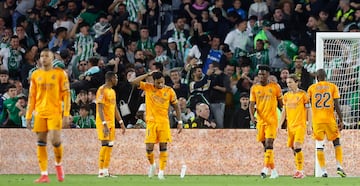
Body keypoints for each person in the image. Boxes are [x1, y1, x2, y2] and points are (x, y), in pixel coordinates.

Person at [25, 49, 71, 183]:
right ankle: (44, 174)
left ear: (52, 58)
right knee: (41, 142)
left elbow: (66, 95)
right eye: (42, 56)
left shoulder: (60, 74)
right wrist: (29, 116)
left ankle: (58, 164)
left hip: (54, 112)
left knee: (55, 141)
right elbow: (32, 96)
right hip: (39, 113)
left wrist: (66, 114)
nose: (44, 58)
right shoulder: (35, 75)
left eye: (47, 56)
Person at [130, 71, 182, 179]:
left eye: (162, 82)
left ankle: (161, 172)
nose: (160, 85)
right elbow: (133, 82)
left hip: (163, 122)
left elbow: (176, 106)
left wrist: (180, 121)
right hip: (151, 123)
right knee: (149, 147)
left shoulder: (169, 90)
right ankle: (152, 165)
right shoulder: (148, 87)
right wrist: (147, 74)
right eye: (158, 83)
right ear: (153, 81)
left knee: (163, 146)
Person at [307, 69, 346, 178]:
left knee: (319, 144)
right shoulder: (332, 87)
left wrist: (308, 122)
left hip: (317, 121)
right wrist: (341, 120)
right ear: (326, 76)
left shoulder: (311, 88)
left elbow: (307, 105)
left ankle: (323, 171)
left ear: (316, 78)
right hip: (330, 120)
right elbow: (337, 105)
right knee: (336, 141)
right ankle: (339, 166)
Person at [249, 64, 283, 179]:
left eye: (263, 74)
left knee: (269, 144)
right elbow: (251, 104)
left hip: (272, 121)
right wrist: (252, 117)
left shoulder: (275, 87)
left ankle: (264, 168)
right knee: (265, 146)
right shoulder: (254, 88)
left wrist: (285, 116)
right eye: (259, 74)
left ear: (268, 75)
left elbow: (281, 103)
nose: (261, 76)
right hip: (260, 121)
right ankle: (273, 170)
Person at [279, 74, 312, 179]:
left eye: (290, 82)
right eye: (287, 82)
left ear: (296, 82)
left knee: (297, 146)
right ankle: (299, 169)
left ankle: (300, 171)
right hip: (290, 126)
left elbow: (309, 110)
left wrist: (309, 125)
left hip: (300, 125)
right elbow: (284, 111)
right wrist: (279, 125)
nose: (288, 84)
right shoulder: (286, 96)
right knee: (293, 148)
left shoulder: (303, 95)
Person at [96, 71, 126, 178]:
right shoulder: (102, 90)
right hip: (103, 122)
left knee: (110, 146)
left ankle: (105, 170)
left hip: (112, 123)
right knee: (104, 144)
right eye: (116, 78)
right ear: (111, 78)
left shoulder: (112, 91)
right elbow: (99, 107)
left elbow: (114, 108)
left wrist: (121, 122)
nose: (117, 80)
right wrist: (104, 124)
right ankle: (100, 171)